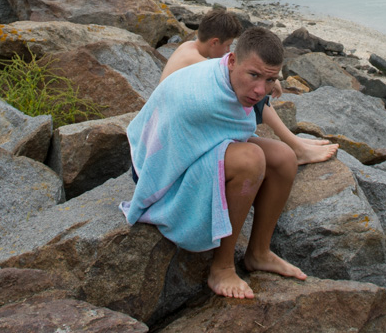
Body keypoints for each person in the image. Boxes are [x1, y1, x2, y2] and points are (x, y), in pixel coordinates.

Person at [122, 27, 307, 299]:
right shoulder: (201, 98)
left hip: (195, 149)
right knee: (250, 161)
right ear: (231, 61)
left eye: (269, 80)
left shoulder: (228, 75)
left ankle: (258, 252)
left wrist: (264, 78)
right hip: (158, 170)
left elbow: (235, 125)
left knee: (284, 157)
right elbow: (167, 153)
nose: (259, 90)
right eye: (253, 75)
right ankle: (221, 267)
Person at [161, 9, 338, 166]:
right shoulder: (195, 60)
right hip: (175, 129)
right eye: (228, 45)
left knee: (252, 91)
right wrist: (268, 79)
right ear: (214, 42)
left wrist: (263, 76)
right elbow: (224, 74)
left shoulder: (187, 46)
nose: (228, 50)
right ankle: (297, 147)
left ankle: (296, 143)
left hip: (177, 118)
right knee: (255, 98)